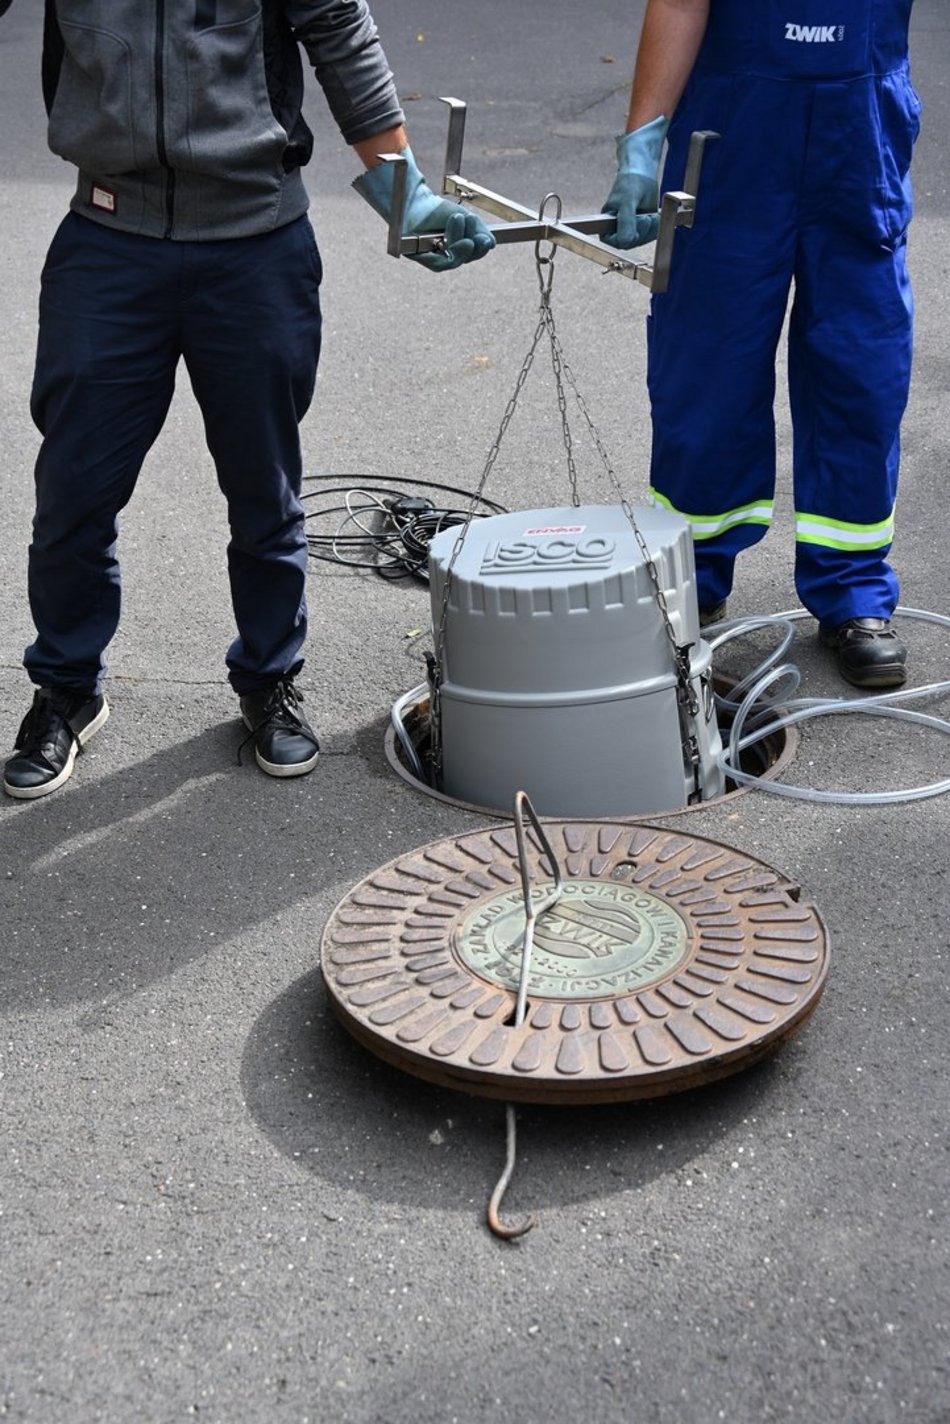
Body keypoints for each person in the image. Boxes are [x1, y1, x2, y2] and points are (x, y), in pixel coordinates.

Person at [1, 0, 493, 801]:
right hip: (107, 241)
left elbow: (338, 26)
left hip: (256, 244)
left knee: (264, 489)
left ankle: (269, 680)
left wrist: (403, 188)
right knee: (72, 492)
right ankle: (66, 689)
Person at [601, 0, 920, 689]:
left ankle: (854, 590)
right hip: (730, 139)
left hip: (860, 138)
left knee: (860, 370)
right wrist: (643, 143)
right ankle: (692, 573)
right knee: (707, 368)